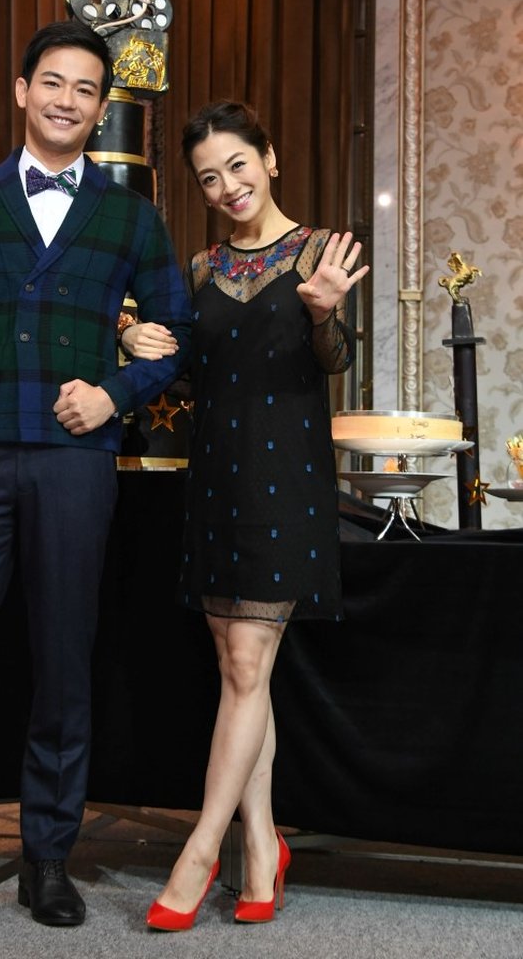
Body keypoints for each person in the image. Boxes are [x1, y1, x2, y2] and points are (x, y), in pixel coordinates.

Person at [0, 20, 191, 934]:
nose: (66, 100)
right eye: (52, 82)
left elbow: (175, 336)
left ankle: (49, 858)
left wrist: (116, 394)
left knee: (63, 652)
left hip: (75, 463)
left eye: (85, 88)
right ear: (22, 92)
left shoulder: (132, 216)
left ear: (102, 107)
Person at [121, 100, 368, 931]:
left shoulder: (319, 252)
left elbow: (334, 360)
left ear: (269, 158)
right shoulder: (201, 268)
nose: (227, 186)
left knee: (246, 664)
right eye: (208, 178)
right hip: (217, 481)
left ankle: (199, 852)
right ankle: (263, 847)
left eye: (237, 164)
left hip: (286, 481)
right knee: (239, 670)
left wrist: (324, 311)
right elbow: (196, 371)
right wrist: (143, 344)